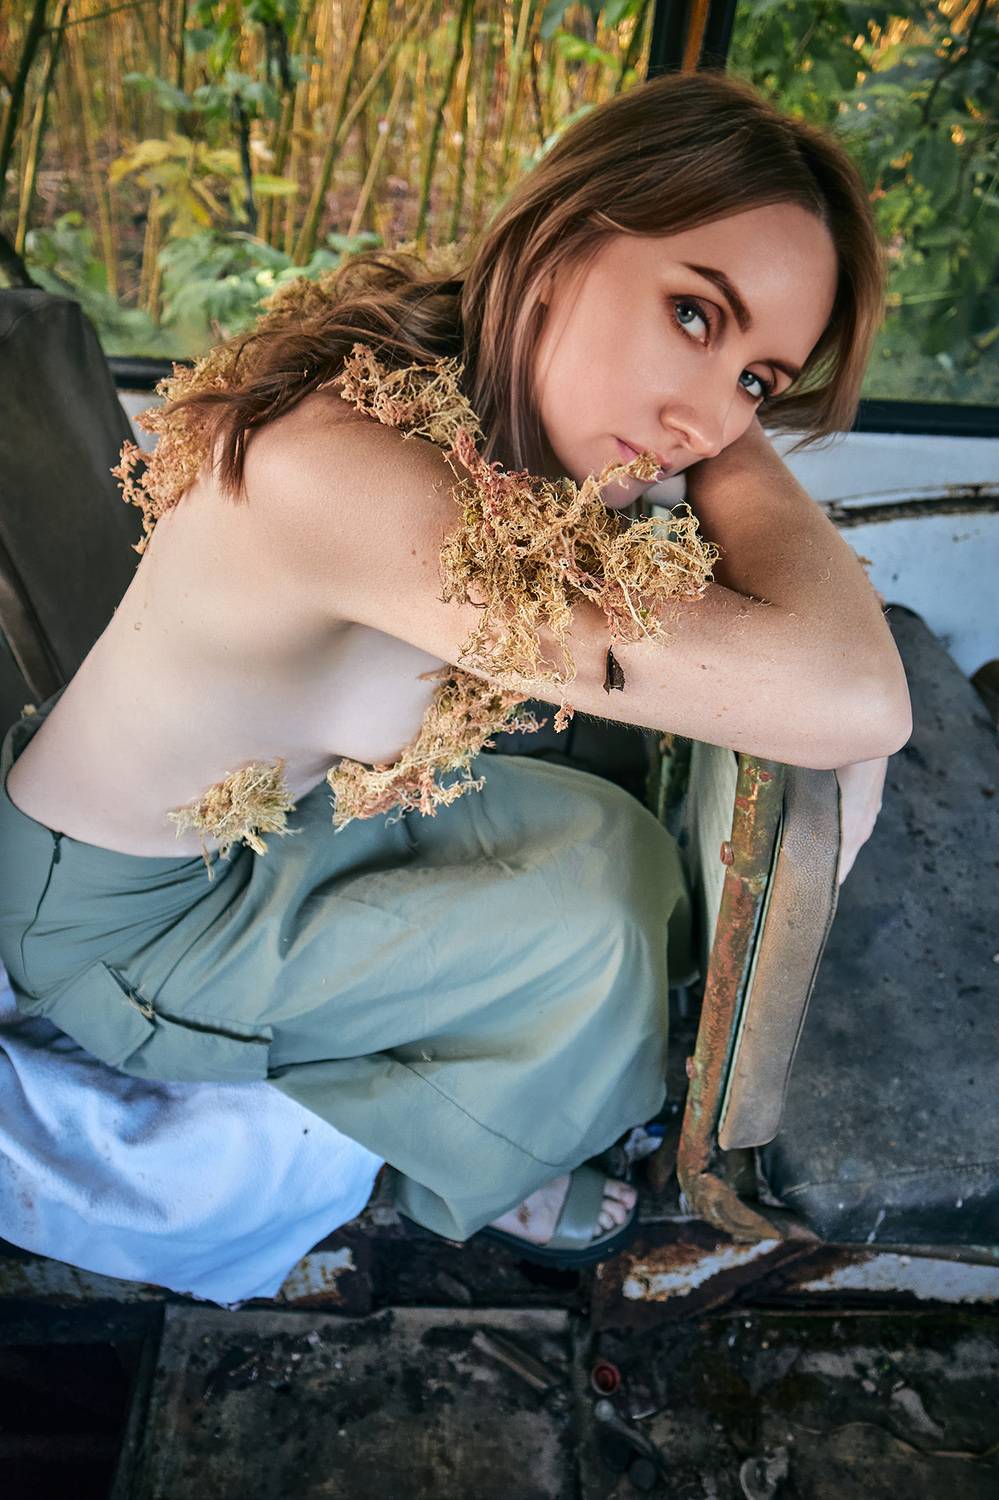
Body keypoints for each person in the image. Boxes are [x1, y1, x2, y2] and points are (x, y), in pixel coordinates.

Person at [0, 70, 910, 1268]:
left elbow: (833, 686)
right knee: (591, 935)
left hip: (264, 830)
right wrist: (725, 451)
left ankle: (509, 1087)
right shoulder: (347, 476)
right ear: (559, 249)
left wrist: (706, 420)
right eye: (694, 314)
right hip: (133, 929)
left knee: (611, 838)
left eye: (758, 382)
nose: (708, 416)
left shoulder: (455, 385)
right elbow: (859, 699)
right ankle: (476, 1170)